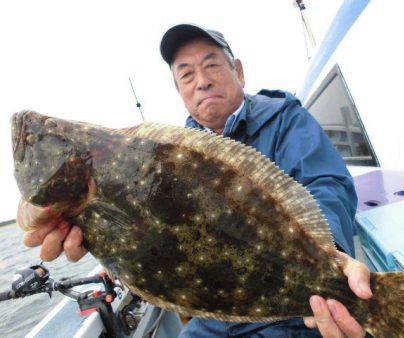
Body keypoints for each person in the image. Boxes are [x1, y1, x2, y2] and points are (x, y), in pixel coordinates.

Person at [17, 24, 372, 338]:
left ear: (238, 71)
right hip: (215, 320)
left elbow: (327, 184)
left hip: (294, 315)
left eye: (211, 64)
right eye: (186, 74)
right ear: (180, 92)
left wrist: (334, 260)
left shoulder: (285, 119)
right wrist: (33, 210)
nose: (201, 80)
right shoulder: (161, 155)